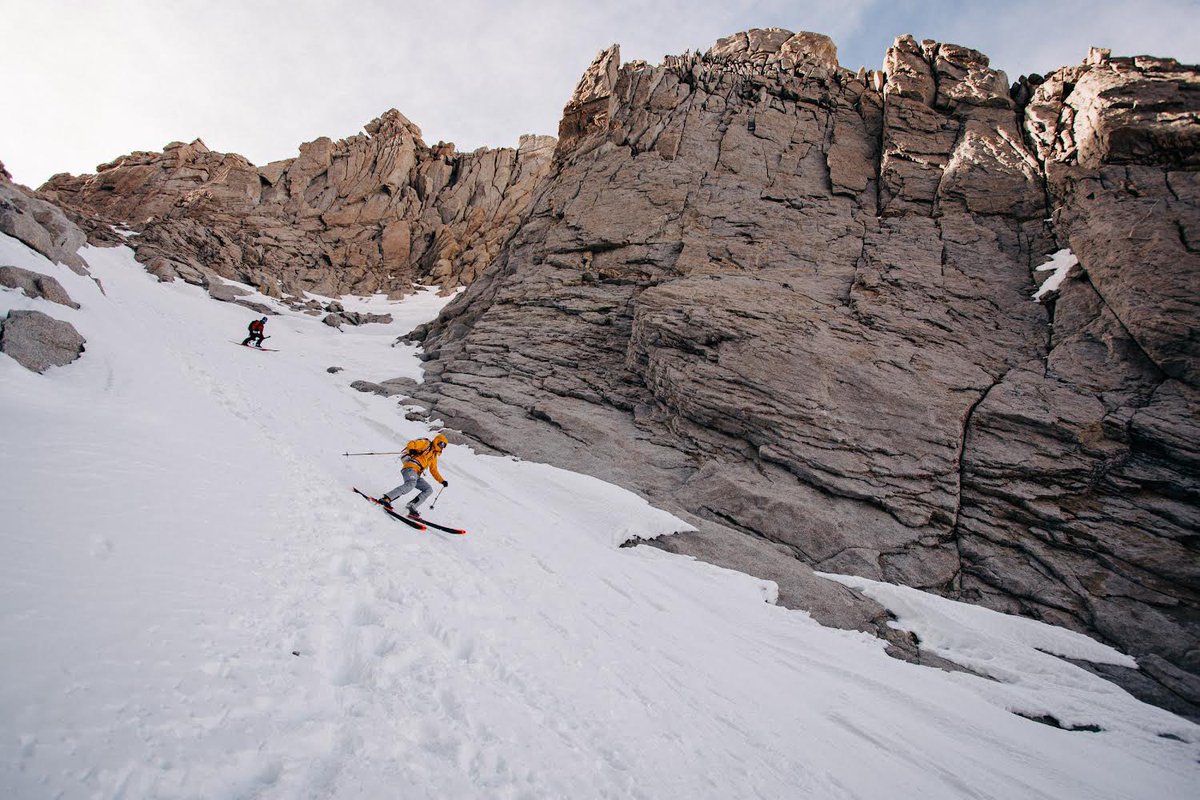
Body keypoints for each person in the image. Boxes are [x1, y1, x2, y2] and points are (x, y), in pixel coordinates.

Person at [381, 434, 449, 516]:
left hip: (417, 474)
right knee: (411, 483)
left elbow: (434, 470)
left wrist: (442, 481)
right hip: (410, 468)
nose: (442, 447)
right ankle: (386, 498)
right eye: (442, 444)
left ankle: (411, 506)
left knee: (428, 489)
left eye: (444, 446)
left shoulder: (434, 456)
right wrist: (412, 449)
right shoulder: (426, 444)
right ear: (437, 441)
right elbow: (412, 443)